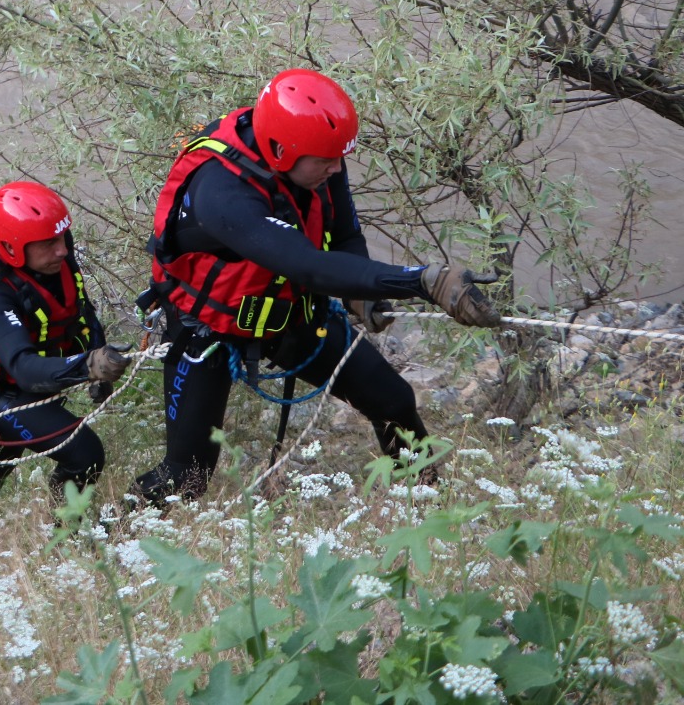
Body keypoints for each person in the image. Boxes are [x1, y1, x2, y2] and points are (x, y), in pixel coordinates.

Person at [133, 68, 501, 505]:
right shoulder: (222, 193)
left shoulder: (315, 155)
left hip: (287, 313)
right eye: (326, 159)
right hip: (207, 328)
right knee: (185, 477)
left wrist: (361, 291)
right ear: (280, 150)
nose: (337, 167)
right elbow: (309, 266)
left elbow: (343, 233)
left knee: (393, 401)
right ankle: (103, 537)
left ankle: (426, 509)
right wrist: (424, 282)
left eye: (340, 156)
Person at [0, 181, 130, 499]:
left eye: (62, 237)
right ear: (12, 247)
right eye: (49, 243)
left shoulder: (51, 248)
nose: (63, 250)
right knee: (84, 454)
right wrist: (87, 366)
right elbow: (23, 368)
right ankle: (66, 536)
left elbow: (81, 306)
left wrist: (96, 350)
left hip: (31, 367)